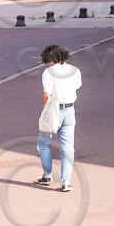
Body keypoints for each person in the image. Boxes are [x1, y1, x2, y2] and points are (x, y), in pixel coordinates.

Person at [37, 45, 82, 192]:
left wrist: (45, 110)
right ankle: (66, 181)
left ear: (50, 59)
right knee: (68, 147)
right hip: (70, 109)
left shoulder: (48, 72)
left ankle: (48, 174)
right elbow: (77, 86)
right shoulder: (75, 70)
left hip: (54, 109)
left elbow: (46, 94)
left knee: (44, 143)